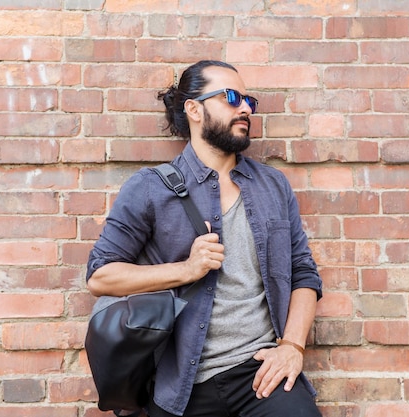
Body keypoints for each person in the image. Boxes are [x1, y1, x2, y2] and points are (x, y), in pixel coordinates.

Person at [86, 60, 323, 417]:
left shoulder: (273, 186)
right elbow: (100, 277)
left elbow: (303, 273)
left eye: (248, 101)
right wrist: (187, 269)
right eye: (231, 97)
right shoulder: (150, 188)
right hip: (181, 385)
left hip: (260, 375)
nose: (244, 108)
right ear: (194, 110)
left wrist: (292, 346)